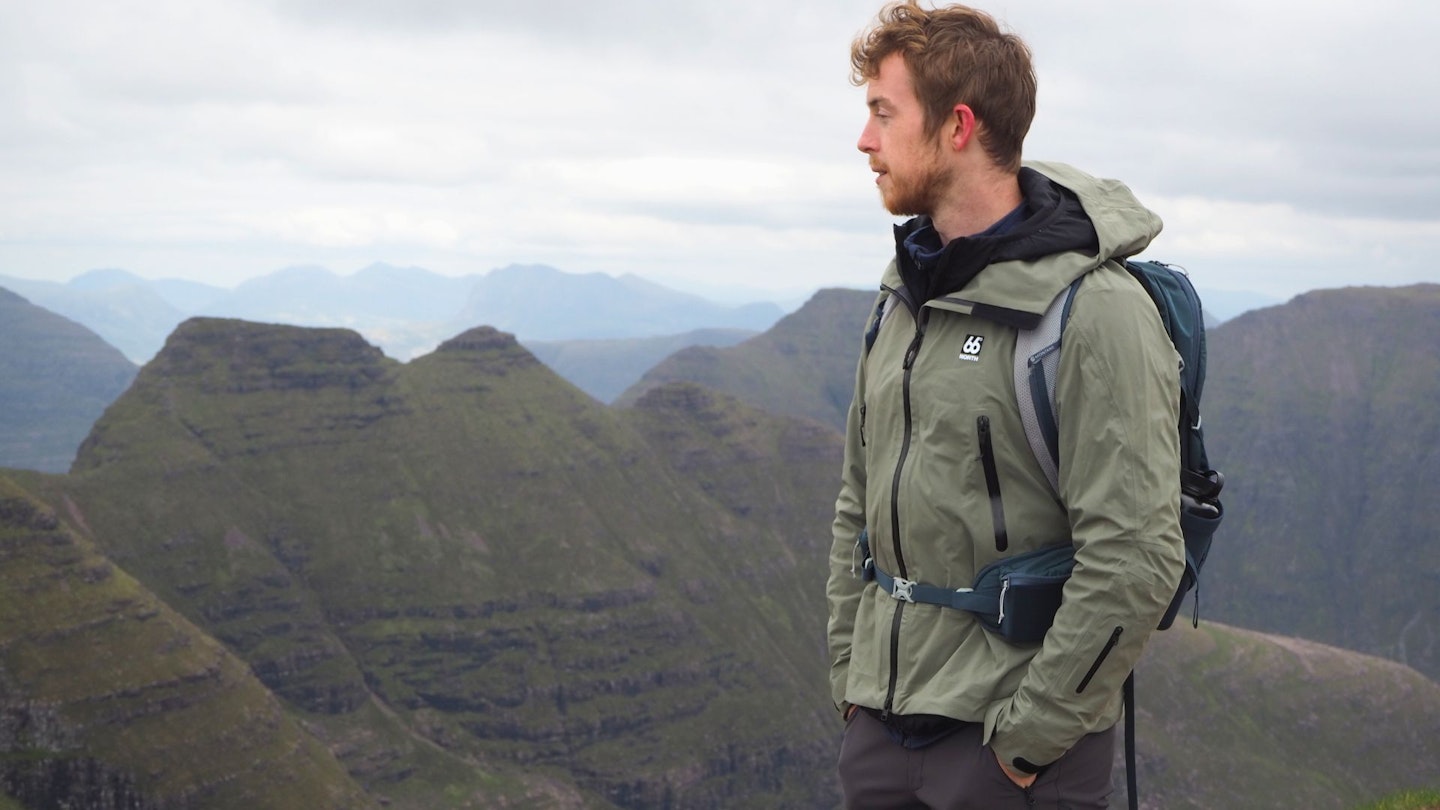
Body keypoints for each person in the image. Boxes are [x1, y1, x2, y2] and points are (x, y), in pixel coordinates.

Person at [825, 2, 1187, 807]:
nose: (864, 139)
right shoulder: (901, 304)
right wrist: (852, 683)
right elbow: (857, 500)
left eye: (884, 113)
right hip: (882, 736)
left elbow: (1135, 557)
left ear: (957, 126)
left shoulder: (1093, 311)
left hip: (1006, 753)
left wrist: (1025, 746)